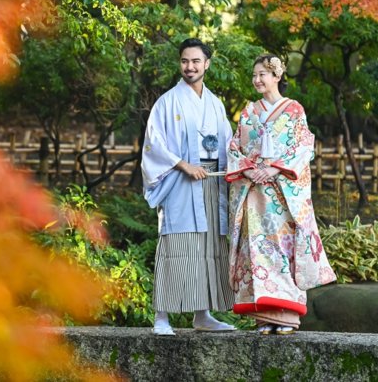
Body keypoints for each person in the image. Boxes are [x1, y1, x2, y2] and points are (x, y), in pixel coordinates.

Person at [225, 54, 336, 334]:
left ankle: (287, 316)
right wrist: (249, 170)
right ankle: (264, 317)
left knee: (283, 250)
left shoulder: (294, 110)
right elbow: (234, 147)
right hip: (254, 193)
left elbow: (303, 147)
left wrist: (274, 169)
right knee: (257, 253)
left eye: (262, 74)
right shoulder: (248, 112)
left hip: (282, 195)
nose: (257, 80)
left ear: (277, 76)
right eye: (254, 75)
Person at [141, 38, 236, 336]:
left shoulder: (215, 103)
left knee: (209, 245)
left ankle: (203, 315)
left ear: (207, 64)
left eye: (196, 61)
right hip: (180, 181)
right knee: (176, 245)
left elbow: (228, 143)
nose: (190, 66)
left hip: (212, 181)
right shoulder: (167, 102)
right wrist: (184, 165)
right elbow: (153, 145)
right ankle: (161, 317)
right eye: (185, 61)